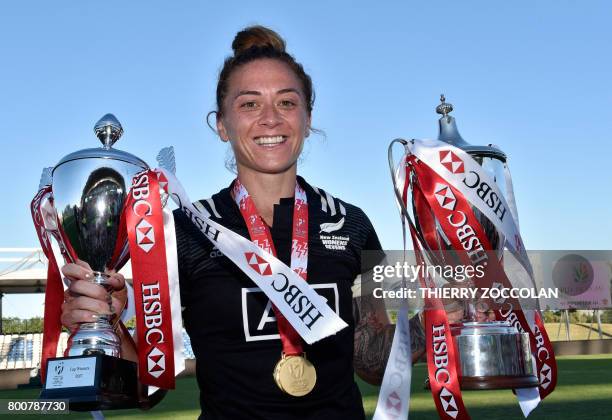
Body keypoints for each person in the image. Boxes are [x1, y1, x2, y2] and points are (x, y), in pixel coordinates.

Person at [60, 25, 426, 419]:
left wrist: (442, 315)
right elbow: (147, 391)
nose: (271, 118)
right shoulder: (184, 230)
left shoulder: (351, 224)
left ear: (307, 118)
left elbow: (371, 361)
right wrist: (107, 320)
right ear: (221, 125)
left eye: (287, 103)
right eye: (249, 104)